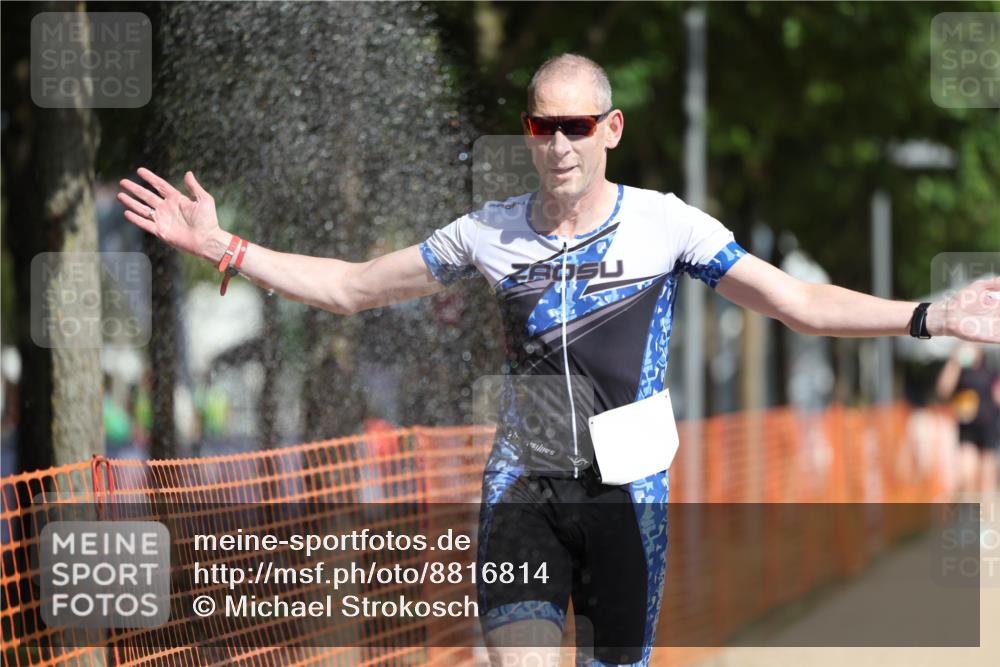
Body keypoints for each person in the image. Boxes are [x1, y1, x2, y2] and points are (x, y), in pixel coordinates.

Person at [118, 53, 1000, 667]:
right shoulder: (489, 231)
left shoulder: (667, 225)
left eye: (578, 125)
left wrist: (929, 316)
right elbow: (353, 286)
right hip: (523, 489)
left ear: (611, 127)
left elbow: (799, 304)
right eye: (544, 125)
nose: (560, 144)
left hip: (627, 493)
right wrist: (228, 246)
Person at [936, 344, 1000, 501]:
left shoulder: (990, 366)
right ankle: (970, 519)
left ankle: (986, 522)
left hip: (989, 427)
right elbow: (943, 390)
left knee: (987, 478)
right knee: (967, 475)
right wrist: (954, 361)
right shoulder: (960, 369)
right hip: (967, 428)